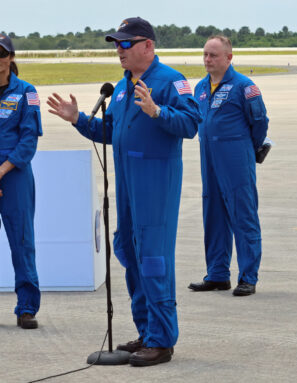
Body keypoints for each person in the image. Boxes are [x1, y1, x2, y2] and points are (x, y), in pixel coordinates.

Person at [47, 17, 201, 366]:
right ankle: (147, 332)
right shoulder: (121, 87)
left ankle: (162, 340)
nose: (119, 49)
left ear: (147, 45)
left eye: (126, 43)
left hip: (156, 183)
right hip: (128, 184)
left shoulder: (170, 81)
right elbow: (111, 132)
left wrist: (157, 111)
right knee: (128, 251)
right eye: (116, 44)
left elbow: (191, 124)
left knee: (152, 257)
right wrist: (78, 120)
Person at [188, 35, 268, 296]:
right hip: (208, 157)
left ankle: (248, 276)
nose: (208, 60)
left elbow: (260, 122)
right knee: (213, 216)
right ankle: (217, 274)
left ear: (229, 58)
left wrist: (246, 149)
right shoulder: (200, 88)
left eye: (214, 55)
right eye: (205, 55)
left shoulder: (244, 86)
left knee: (243, 215)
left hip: (235, 158)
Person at [0, 34, 42, 329]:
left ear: (11, 58)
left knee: (22, 242)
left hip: (14, 175)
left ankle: (26, 307)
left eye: (2, 54)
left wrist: (2, 170)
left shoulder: (26, 92)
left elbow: (29, 140)